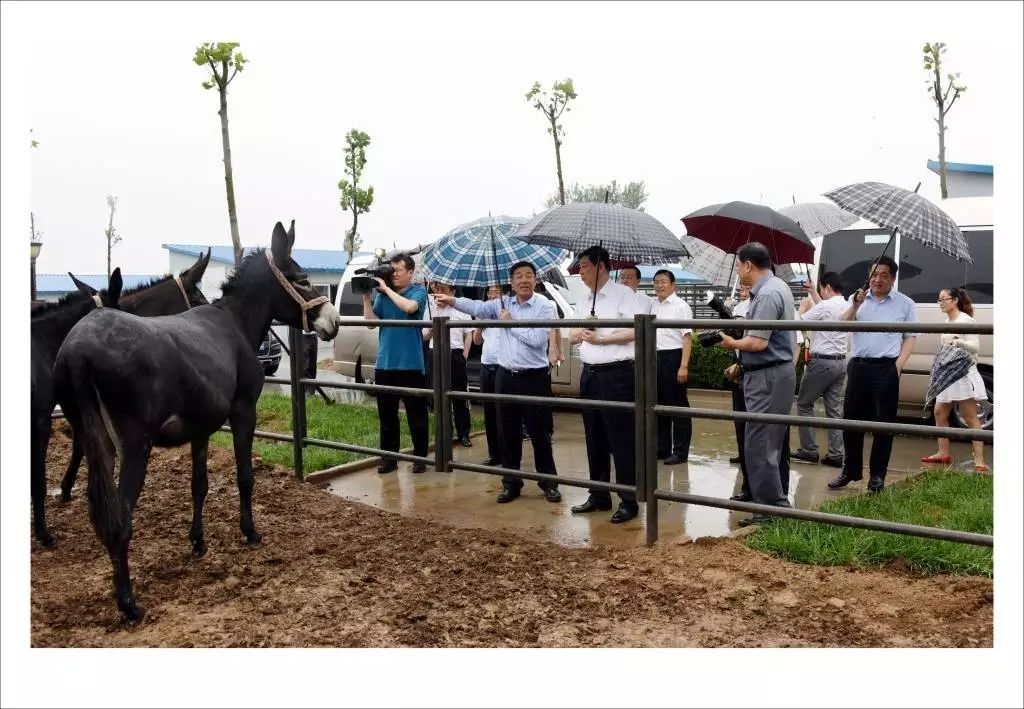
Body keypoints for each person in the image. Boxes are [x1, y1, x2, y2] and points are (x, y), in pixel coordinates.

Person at [434, 262, 562, 504]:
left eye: (528, 276)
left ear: (535, 280)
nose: (524, 280)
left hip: (534, 377)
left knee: (539, 433)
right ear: (511, 283)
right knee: (508, 433)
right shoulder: (502, 304)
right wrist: (451, 300)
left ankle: (549, 482)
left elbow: (537, 340)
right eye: (518, 276)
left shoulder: (546, 305)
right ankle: (511, 482)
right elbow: (477, 307)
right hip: (505, 377)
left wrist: (509, 322)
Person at [717, 242, 796, 526]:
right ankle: (773, 506)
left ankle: (771, 510)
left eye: (739, 266)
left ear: (748, 265)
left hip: (768, 375)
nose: (738, 272)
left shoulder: (767, 294)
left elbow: (758, 342)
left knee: (760, 444)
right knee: (766, 443)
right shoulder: (776, 287)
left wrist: (731, 344)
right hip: (771, 373)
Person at [570, 245, 648, 524]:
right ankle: (599, 494)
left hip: (617, 375)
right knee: (595, 437)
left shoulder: (624, 296)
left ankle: (629, 500)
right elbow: (571, 334)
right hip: (590, 373)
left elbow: (636, 330)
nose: (580, 271)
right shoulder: (583, 298)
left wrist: (602, 337)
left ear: (601, 266)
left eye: (584, 266)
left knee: (622, 439)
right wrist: (580, 333)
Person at [829, 255, 917, 493]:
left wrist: (898, 366)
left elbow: (911, 338)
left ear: (893, 278)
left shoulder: (905, 304)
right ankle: (851, 470)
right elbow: (842, 325)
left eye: (884, 275)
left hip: (885, 368)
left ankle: (877, 475)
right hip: (858, 366)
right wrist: (856, 304)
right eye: (874, 275)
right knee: (851, 421)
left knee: (883, 424)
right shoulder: (858, 299)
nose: (878, 280)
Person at [361, 253, 430, 474]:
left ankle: (420, 457)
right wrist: (366, 297)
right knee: (387, 417)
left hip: (411, 364)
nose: (394, 275)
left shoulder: (418, 292)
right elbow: (371, 324)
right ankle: (389, 458)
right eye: (392, 271)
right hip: (385, 364)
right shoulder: (382, 296)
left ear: (410, 272)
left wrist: (387, 289)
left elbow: (409, 308)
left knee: (416, 416)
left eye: (398, 271)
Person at [921, 287, 989, 472]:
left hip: (963, 374)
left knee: (970, 417)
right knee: (939, 413)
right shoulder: (947, 321)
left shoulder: (966, 320)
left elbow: (975, 347)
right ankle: (943, 453)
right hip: (947, 374)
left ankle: (980, 461)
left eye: (944, 299)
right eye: (939, 300)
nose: (941, 303)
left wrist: (960, 343)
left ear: (955, 300)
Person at [793, 272, 849, 468]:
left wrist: (802, 307)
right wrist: (813, 293)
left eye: (821, 290)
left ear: (826, 288)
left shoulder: (824, 307)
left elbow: (797, 323)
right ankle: (836, 454)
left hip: (821, 363)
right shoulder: (847, 304)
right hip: (840, 362)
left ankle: (809, 450)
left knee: (804, 403)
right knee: (834, 411)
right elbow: (825, 309)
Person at [423, 280, 473, 448]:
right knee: (439, 396)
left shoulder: (462, 308)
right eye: (437, 289)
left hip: (456, 354)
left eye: (443, 289)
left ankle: (464, 434)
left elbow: (469, 334)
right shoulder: (430, 308)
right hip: (435, 353)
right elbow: (423, 336)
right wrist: (431, 329)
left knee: (459, 396)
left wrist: (464, 356)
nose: (439, 292)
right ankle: (445, 434)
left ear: (452, 291)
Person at [650, 269, 693, 465]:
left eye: (663, 281)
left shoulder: (680, 306)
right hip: (655, 357)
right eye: (656, 281)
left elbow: (687, 338)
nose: (659, 285)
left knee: (678, 406)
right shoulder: (653, 305)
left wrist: (683, 366)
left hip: (673, 357)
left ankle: (681, 451)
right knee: (659, 405)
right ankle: (662, 448)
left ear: (673, 285)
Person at [473, 284, 504, 466]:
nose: (492, 295)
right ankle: (494, 454)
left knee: (504, 413)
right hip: (486, 365)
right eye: (490, 292)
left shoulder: (507, 311)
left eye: (496, 292)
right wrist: (479, 326)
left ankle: (508, 453)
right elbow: (477, 341)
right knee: (489, 412)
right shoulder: (483, 311)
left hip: (503, 366)